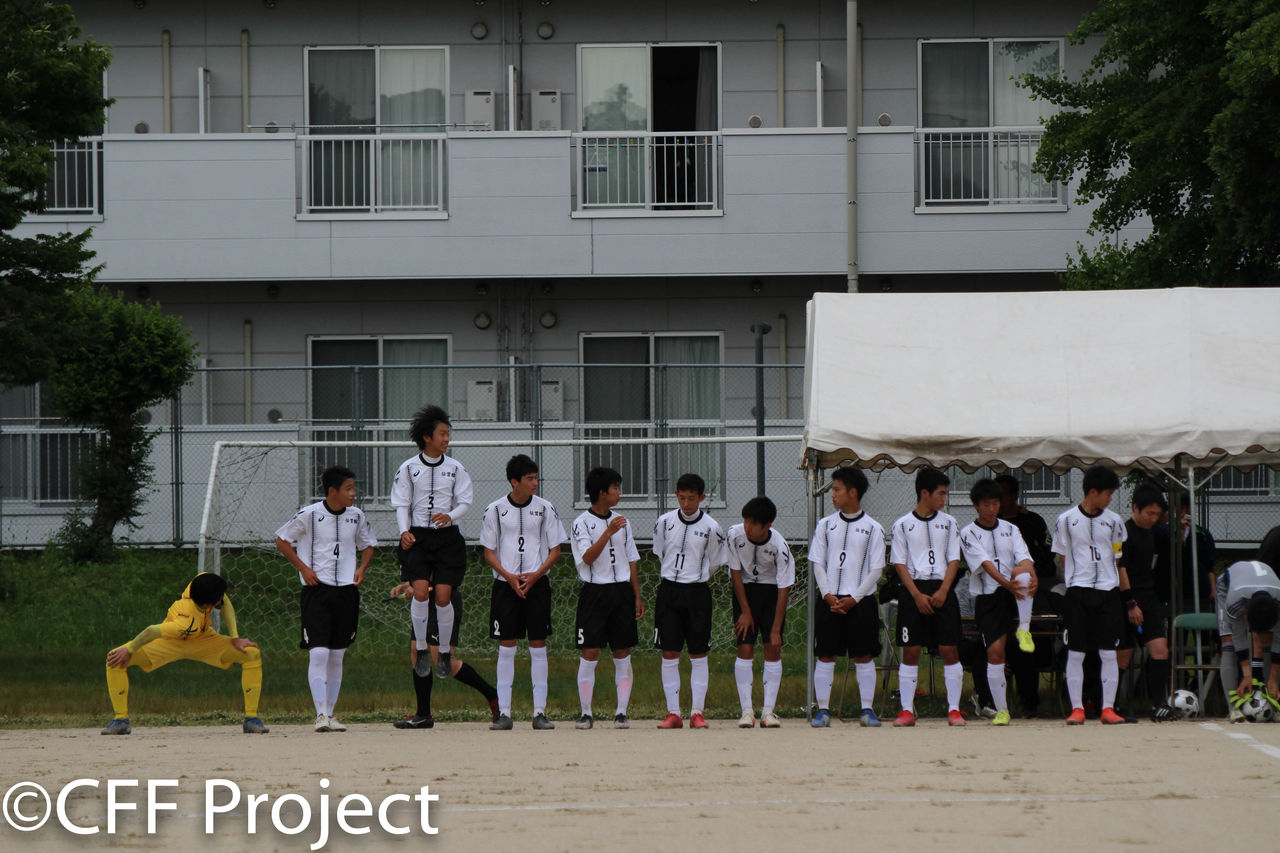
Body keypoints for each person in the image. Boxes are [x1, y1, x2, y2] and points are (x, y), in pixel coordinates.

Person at [274, 465, 375, 732]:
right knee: (318, 652)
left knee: (337, 655)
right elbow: (282, 540)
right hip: (317, 591)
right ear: (333, 491)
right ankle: (319, 715)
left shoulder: (357, 516)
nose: (354, 493)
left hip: (347, 591)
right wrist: (303, 568)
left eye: (354, 488)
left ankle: (331, 714)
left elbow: (369, 544)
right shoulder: (309, 514)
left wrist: (362, 569)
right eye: (349, 488)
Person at [101, 572, 267, 735]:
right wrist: (130, 650)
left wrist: (235, 638)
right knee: (114, 659)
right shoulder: (187, 623)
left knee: (251, 654)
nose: (222, 599)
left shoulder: (199, 583)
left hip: (204, 641)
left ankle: (251, 719)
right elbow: (152, 631)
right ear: (208, 605)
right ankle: (121, 720)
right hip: (170, 643)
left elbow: (225, 603)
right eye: (219, 598)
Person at [480, 454, 567, 731]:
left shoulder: (546, 509)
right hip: (506, 586)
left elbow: (556, 550)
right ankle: (504, 712)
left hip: (537, 584)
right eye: (529, 478)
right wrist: (508, 576)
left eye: (536, 477)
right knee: (507, 646)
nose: (535, 483)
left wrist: (535, 575)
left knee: (538, 645)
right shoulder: (494, 509)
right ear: (514, 481)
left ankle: (539, 712)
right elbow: (488, 551)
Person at [391, 405, 473, 680]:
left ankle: (446, 650)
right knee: (421, 592)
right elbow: (402, 504)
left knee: (443, 596)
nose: (447, 439)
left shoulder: (456, 468)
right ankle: (423, 648)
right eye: (442, 434)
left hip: (448, 539)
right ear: (427, 437)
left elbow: (465, 503)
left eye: (448, 434)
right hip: (419, 537)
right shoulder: (408, 468)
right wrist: (404, 531)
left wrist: (449, 515)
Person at [809, 467, 886, 728]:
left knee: (864, 655)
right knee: (826, 654)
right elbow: (817, 563)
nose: (832, 494)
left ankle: (867, 710)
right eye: (832, 489)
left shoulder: (874, 529)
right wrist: (827, 594)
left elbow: (876, 569)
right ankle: (822, 710)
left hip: (860, 603)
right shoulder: (825, 525)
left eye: (837, 489)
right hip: (829, 600)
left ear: (853, 492)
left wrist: (855, 598)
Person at [1052, 465, 1129, 725]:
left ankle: (1108, 708)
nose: (1110, 499)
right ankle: (1077, 708)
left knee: (1108, 652)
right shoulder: (1065, 520)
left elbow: (1118, 558)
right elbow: (1063, 557)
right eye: (1107, 494)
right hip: (1078, 593)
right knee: (1077, 651)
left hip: (1108, 592)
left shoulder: (1115, 521)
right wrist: (1075, 578)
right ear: (1093, 492)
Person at [652, 473, 728, 729]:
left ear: (702, 498)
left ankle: (697, 712)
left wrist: (696, 576)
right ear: (676, 495)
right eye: (682, 498)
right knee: (669, 652)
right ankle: (673, 713)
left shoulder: (712, 528)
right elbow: (661, 553)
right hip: (669, 592)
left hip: (697, 593)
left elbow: (716, 561)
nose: (686, 504)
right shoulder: (663, 522)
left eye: (692, 499)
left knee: (698, 652)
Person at [959, 478, 1037, 727]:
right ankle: (1001, 709)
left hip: (1014, 592)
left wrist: (1032, 575)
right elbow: (985, 565)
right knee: (995, 652)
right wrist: (1006, 584)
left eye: (995, 503)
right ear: (976, 505)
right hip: (990, 596)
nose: (992, 509)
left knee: (1023, 573)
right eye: (986, 504)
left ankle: (1024, 629)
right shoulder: (968, 533)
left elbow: (1024, 558)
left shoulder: (1011, 529)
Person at [570, 466, 644, 730]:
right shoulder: (581, 523)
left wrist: (636, 595)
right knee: (590, 651)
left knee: (622, 652)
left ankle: (621, 712)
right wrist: (607, 532)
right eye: (615, 488)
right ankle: (586, 713)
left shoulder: (623, 520)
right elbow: (587, 558)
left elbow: (632, 559)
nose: (619, 493)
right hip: (595, 592)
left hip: (621, 592)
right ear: (602, 492)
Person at [890, 467, 964, 727]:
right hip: (914, 590)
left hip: (942, 587)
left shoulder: (950, 522)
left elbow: (954, 559)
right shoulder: (902, 525)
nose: (944, 499)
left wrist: (944, 589)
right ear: (925, 493)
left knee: (949, 647)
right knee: (910, 650)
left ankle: (954, 709)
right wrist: (916, 595)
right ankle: (907, 710)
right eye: (941, 493)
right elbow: (899, 564)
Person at [388, 583, 500, 730]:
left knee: (443, 660)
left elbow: (438, 566)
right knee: (417, 652)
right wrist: (411, 584)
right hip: (424, 603)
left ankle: (492, 695)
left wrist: (420, 587)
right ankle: (423, 715)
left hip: (443, 599)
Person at [726, 496, 795, 729]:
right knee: (745, 646)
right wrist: (745, 611)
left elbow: (784, 588)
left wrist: (776, 629)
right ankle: (747, 711)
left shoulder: (780, 547)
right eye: (745, 520)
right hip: (744, 591)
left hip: (771, 592)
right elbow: (735, 573)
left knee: (772, 647)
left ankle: (768, 712)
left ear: (768, 526)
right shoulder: (734, 535)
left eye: (754, 523)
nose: (747, 527)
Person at [996, 473, 1058, 717]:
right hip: (1000, 590)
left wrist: (1029, 576)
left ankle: (1030, 703)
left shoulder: (1033, 521)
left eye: (1003, 496)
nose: (998, 502)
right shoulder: (988, 524)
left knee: (1031, 641)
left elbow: (1046, 558)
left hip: (1033, 590)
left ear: (1014, 496)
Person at [1115, 482, 1176, 721]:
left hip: (1149, 598)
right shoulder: (1123, 532)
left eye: (1157, 515)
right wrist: (1130, 603)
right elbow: (1121, 568)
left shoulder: (1154, 533)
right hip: (1125, 598)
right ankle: (1113, 705)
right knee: (1124, 654)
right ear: (1135, 508)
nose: (1153, 518)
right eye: (1149, 513)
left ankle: (1158, 704)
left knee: (1160, 649)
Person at [1216, 560, 1280, 714]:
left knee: (1267, 641)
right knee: (1228, 641)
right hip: (1228, 588)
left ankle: (1269, 698)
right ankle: (1233, 709)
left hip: (1264, 590)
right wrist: (1247, 675)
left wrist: (1273, 678)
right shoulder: (1234, 601)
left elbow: (1279, 640)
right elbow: (1238, 637)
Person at [1153, 494, 1216, 614]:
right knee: (1178, 625)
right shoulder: (1166, 532)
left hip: (1200, 588)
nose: (1185, 512)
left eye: (1188, 508)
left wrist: (1212, 589)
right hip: (1175, 590)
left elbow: (1209, 566)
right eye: (1181, 508)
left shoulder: (1202, 534)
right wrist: (1180, 532)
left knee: (1202, 625)